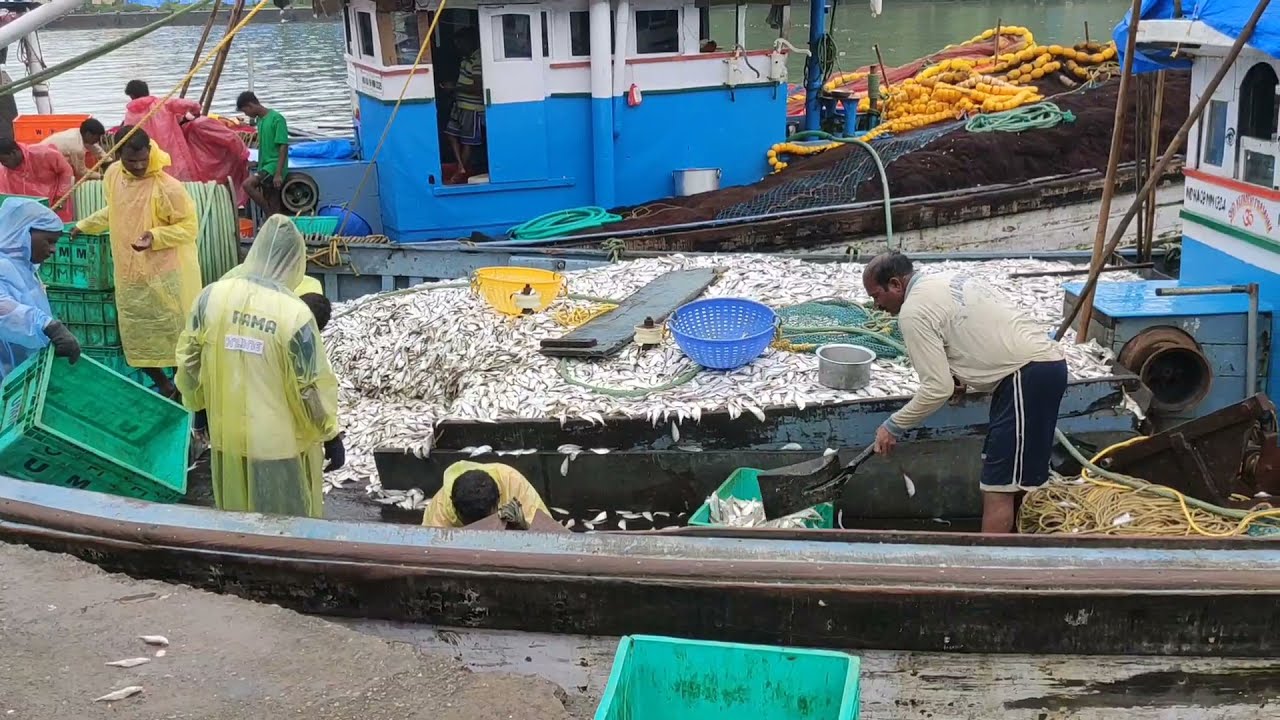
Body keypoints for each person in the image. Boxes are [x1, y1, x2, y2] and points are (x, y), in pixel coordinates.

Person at [862, 251, 1068, 534]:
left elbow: (937, 389)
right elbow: (977, 332)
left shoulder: (913, 312)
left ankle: (988, 560)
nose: (876, 306)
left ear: (896, 284)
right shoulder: (945, 280)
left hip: (1026, 376)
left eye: (876, 296)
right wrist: (960, 376)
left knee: (999, 486)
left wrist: (892, 426)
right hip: (1032, 372)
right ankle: (1020, 550)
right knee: (1013, 480)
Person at [176, 215, 342, 518]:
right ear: (295, 261)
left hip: (227, 435)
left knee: (237, 520)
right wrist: (330, 434)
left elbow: (189, 362)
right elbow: (309, 388)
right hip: (278, 444)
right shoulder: (295, 314)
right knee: (283, 524)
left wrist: (199, 407)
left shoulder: (212, 296)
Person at [72, 129, 200, 399]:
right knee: (136, 335)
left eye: (144, 159)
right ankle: (164, 385)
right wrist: (85, 225)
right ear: (119, 154)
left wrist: (155, 236)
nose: (140, 166)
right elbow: (116, 210)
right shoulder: (113, 175)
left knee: (174, 333)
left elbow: (189, 228)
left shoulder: (167, 187)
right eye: (132, 161)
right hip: (129, 272)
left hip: (165, 274)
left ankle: (184, 389)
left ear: (150, 152)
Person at [0, 198, 81, 376]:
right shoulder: (3, 266)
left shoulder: (26, 269)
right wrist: (47, 326)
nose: (53, 250)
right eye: (49, 241)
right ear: (23, 233)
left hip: (20, 373)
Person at [422, 461, 551, 528]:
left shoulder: (511, 481)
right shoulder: (439, 512)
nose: (482, 528)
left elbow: (549, 532)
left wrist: (524, 526)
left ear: (499, 497)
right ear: (454, 508)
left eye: (486, 521)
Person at [123, 79, 201, 181]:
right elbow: (192, 105)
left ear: (132, 96)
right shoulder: (163, 104)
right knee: (176, 175)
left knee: (152, 176)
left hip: (148, 153)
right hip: (171, 151)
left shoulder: (131, 114)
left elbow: (126, 135)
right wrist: (194, 112)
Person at [441, 29, 484, 183]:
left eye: (460, 43)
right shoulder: (466, 58)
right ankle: (460, 165)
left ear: (469, 42)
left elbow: (478, 87)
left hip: (472, 108)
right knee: (450, 133)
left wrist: (454, 87)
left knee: (467, 141)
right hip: (460, 105)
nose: (458, 47)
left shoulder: (477, 59)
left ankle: (459, 174)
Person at [236, 91, 289, 215]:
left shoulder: (277, 119)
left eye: (245, 111)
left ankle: (268, 213)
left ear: (250, 106)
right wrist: (258, 162)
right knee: (273, 199)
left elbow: (283, 146)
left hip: (273, 166)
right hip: (264, 165)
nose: (246, 115)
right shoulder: (260, 121)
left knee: (247, 185)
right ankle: (274, 218)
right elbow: (266, 145)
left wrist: (278, 173)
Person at [0, 139, 75, 221]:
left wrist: (60, 196)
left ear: (13, 153)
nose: (3, 164)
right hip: (27, 214)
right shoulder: (4, 171)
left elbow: (66, 171)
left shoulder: (44, 153)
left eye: (4, 161)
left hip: (55, 204)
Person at [40, 118, 107, 180]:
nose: (98, 140)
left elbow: (93, 146)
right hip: (41, 161)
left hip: (42, 150)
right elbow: (81, 171)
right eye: (97, 137)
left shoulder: (78, 132)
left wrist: (107, 159)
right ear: (88, 134)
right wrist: (101, 176)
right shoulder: (77, 148)